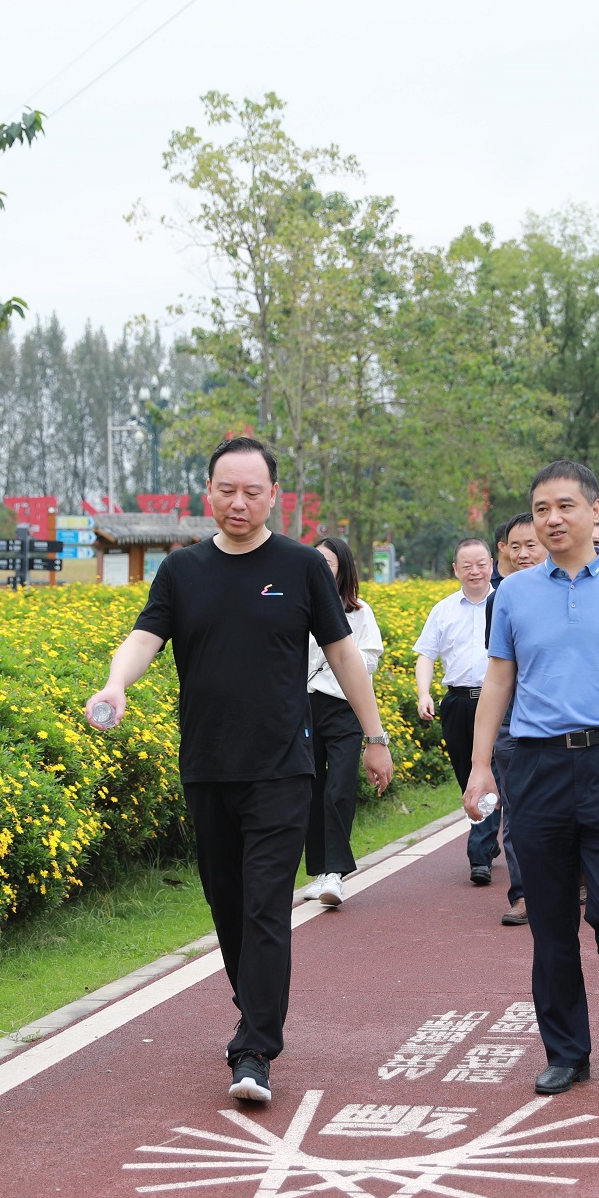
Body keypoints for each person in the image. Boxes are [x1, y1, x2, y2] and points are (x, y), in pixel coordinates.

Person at [87, 436, 395, 1106]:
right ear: (208, 492)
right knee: (227, 905)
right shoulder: (182, 570)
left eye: (253, 491)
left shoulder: (300, 566)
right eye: (227, 489)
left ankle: (254, 1047)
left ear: (273, 496)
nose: (239, 502)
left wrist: (374, 736)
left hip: (281, 768)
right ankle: (253, 1003)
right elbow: (144, 637)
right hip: (207, 766)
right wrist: (116, 683)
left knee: (265, 906)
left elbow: (343, 654)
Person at [466, 460, 599, 1095]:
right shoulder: (514, 594)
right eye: (541, 509)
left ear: (594, 511)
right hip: (535, 765)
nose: (552, 518)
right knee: (551, 919)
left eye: (565, 506)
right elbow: (498, 681)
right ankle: (567, 1051)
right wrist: (480, 766)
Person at [414, 538, 502, 887]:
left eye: (481, 564)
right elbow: (426, 655)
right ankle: (487, 836)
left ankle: (479, 854)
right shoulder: (444, 610)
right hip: (457, 703)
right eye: (467, 566)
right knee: (467, 775)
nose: (475, 571)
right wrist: (424, 693)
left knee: (491, 772)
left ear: (492, 564)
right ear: (455, 570)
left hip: (498, 702)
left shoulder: (505, 603)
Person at [305, 537, 384, 907]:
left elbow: (370, 660)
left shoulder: (359, 611)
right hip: (304, 706)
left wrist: (340, 652)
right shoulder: (299, 606)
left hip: (344, 707)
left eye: (329, 563)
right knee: (310, 789)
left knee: (339, 787)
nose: (322, 568)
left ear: (343, 569)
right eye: (317, 560)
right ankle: (320, 870)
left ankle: (335, 873)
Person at [482, 513, 544, 925]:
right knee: (517, 810)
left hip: (564, 723)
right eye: (515, 545)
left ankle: (574, 878)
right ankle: (523, 893)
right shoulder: (500, 598)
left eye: (531, 545)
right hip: (513, 721)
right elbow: (499, 671)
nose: (522, 553)